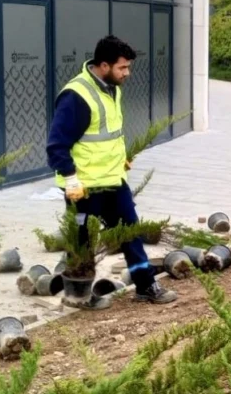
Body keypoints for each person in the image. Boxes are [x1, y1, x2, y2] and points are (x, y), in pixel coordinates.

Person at [46, 35, 178, 309]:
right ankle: (77, 296)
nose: (127, 73)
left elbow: (106, 135)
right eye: (123, 68)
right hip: (83, 187)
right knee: (81, 243)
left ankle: (146, 285)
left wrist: (121, 160)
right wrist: (70, 179)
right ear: (103, 65)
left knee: (130, 231)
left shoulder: (112, 89)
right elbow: (57, 144)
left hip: (113, 181)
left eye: (128, 67)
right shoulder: (77, 96)